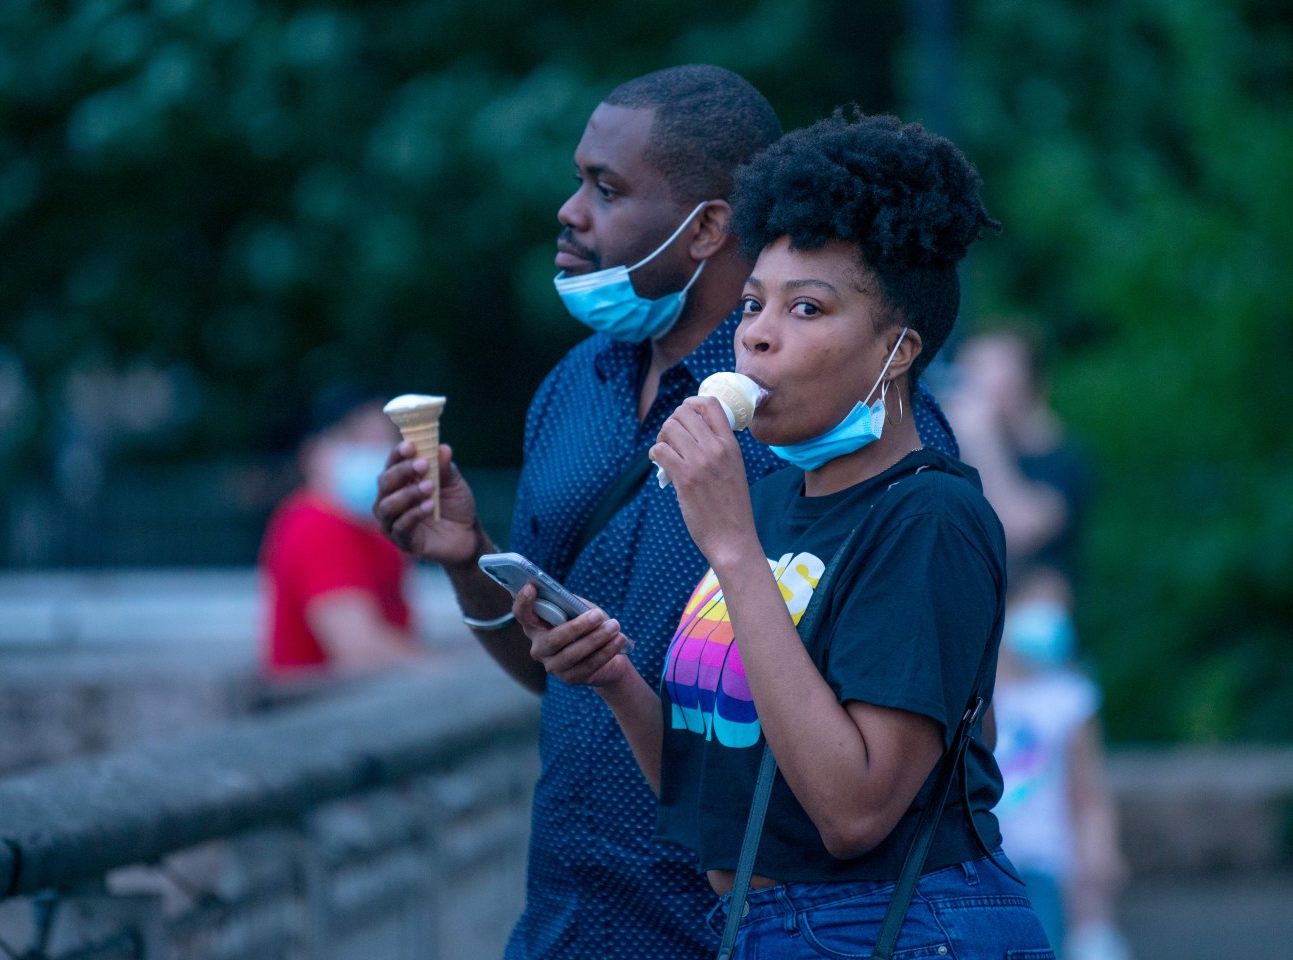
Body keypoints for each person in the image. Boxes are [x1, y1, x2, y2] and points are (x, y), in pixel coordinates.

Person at [375, 67, 959, 958]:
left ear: (711, 226)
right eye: (580, 180)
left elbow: (887, 763)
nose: (571, 211)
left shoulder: (840, 419)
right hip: (568, 919)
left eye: (606, 189)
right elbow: (556, 671)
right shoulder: (575, 386)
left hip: (754, 929)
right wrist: (468, 557)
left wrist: (730, 538)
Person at [523, 111, 1053, 958]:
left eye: (807, 307)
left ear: (898, 349)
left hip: (897, 929)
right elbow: (718, 795)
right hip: (754, 929)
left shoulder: (927, 517)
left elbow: (853, 810)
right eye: (753, 304)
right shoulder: (769, 511)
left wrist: (730, 549)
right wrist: (617, 678)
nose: (758, 333)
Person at [993, 567, 1132, 960]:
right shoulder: (973, 690)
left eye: (1060, 608)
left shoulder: (1069, 697)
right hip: (982, 860)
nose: (1052, 617)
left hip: (1044, 863)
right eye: (1040, 604)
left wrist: (1098, 854)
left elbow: (1088, 788)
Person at [259, 383, 419, 679]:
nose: (375, 454)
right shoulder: (318, 524)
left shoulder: (374, 532)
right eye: (357, 439)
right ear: (311, 454)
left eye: (384, 441)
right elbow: (360, 649)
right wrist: (449, 673)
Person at [945, 326, 1093, 585]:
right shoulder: (960, 448)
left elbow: (1018, 531)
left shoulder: (1065, 460)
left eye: (983, 370)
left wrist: (980, 435)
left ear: (1027, 383)